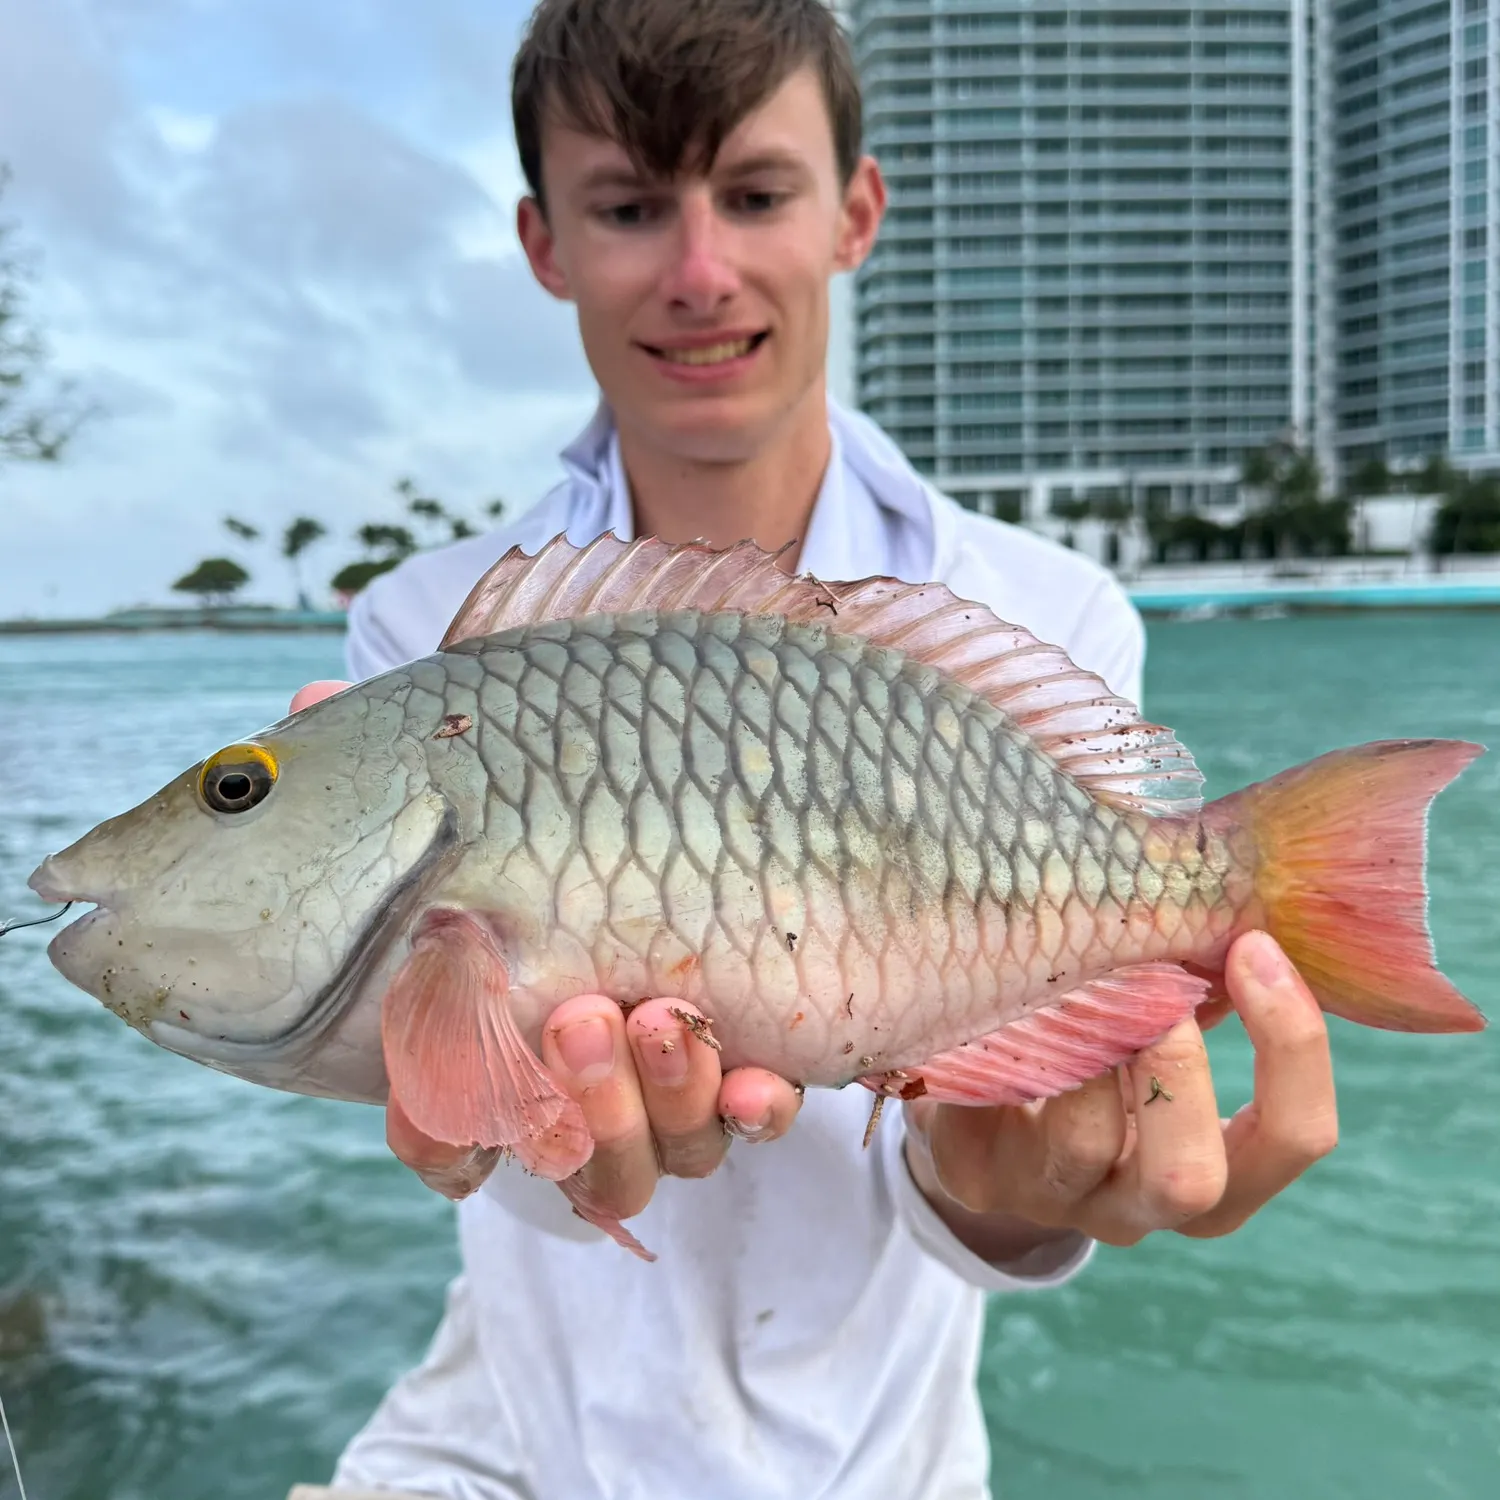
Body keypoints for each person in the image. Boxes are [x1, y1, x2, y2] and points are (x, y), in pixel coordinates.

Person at [300, 3, 1340, 1495]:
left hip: (884, 1459)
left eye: (755, 192)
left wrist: (1029, 1197)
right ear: (544, 246)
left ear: (856, 211)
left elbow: (970, 1189)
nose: (700, 269)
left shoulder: (1048, 616)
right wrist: (491, 1129)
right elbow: (473, 1132)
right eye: (630, 206)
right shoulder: (424, 635)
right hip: (526, 1437)